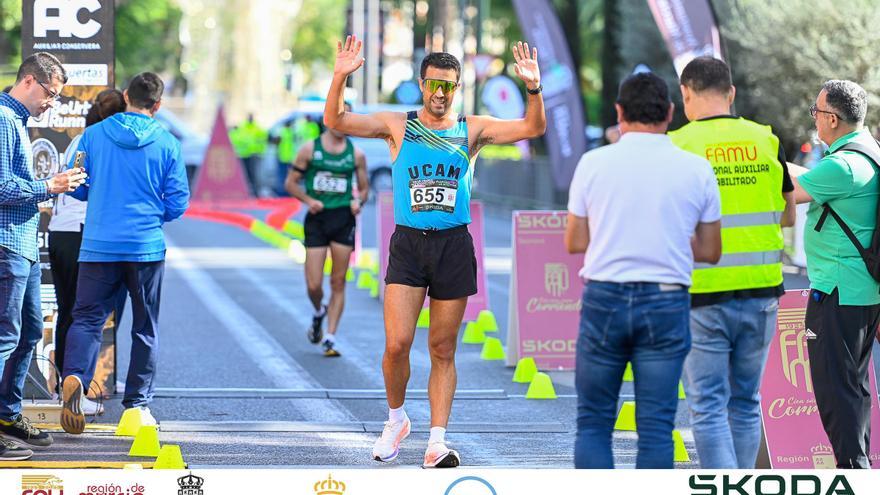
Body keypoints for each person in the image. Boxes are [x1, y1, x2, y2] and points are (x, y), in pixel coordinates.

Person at [324, 36, 546, 467]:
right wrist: (340, 76)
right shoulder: (398, 125)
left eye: (448, 86)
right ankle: (396, 420)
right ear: (422, 84)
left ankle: (437, 442)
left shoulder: (471, 129)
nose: (440, 94)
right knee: (397, 344)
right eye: (433, 85)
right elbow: (336, 119)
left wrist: (534, 88)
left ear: (457, 88)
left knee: (442, 348)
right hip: (409, 244)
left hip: (453, 246)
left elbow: (532, 128)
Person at [565, 72, 722, 469]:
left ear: (619, 112)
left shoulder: (593, 163)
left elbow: (575, 241)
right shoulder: (696, 169)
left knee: (593, 423)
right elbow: (710, 250)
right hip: (666, 300)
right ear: (669, 112)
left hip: (605, 296)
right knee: (656, 427)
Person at [668, 56, 796, 469]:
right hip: (762, 291)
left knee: (708, 404)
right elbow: (788, 215)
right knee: (746, 401)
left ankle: (724, 486)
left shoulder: (678, 146)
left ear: (686, 93)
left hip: (702, 292)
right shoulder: (765, 140)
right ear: (731, 93)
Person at [60, 72, 190, 435]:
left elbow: (76, 186)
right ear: (158, 105)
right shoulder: (167, 142)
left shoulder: (94, 135)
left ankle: (76, 376)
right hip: (145, 247)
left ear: (126, 96)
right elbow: (178, 201)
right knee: (145, 327)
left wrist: (101, 194)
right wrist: (153, 215)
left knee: (87, 319)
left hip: (98, 245)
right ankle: (136, 407)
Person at [0, 53, 86, 460]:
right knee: (5, 336)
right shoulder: (4, 118)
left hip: (23, 243)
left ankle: (7, 414)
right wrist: (50, 185)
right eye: (50, 94)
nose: (51, 103)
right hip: (6, 244)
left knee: (29, 332)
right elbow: (1, 187)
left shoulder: (16, 120)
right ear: (29, 81)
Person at [792, 80, 879, 468]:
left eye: (816, 111)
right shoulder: (867, 153)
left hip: (837, 291)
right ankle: (859, 467)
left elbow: (791, 191)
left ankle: (853, 472)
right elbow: (811, 178)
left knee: (835, 392)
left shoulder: (842, 167)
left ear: (831, 118)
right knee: (854, 388)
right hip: (861, 291)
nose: (813, 118)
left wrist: (759, 162)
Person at [49, 88, 127, 417]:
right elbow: (80, 187)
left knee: (70, 312)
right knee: (86, 315)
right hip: (83, 232)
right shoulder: (99, 142)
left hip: (60, 232)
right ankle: (75, 388)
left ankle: (65, 387)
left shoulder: (81, 140)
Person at [285, 102, 369, 357]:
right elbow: (291, 183)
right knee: (313, 284)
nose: (342, 122)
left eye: (347, 116)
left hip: (343, 218)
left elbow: (364, 189)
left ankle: (330, 337)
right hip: (318, 218)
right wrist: (309, 200)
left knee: (338, 280)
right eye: (338, 115)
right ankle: (319, 310)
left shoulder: (356, 155)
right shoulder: (310, 149)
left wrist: (358, 202)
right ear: (328, 118)